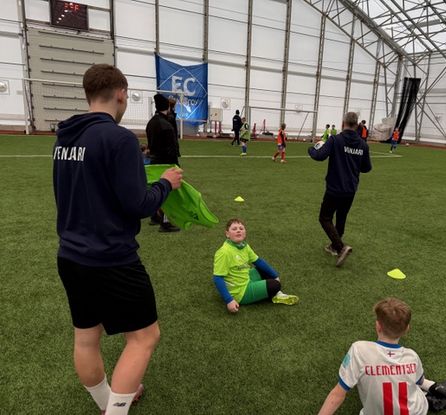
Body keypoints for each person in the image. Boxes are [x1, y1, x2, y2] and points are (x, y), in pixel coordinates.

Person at [53, 64, 183, 415]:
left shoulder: (64, 138)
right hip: (111, 258)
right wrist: (165, 184)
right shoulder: (119, 138)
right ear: (122, 94)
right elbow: (137, 205)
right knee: (144, 337)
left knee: (86, 338)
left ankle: (107, 404)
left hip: (70, 255)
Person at [318, 297, 446, 415]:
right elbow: (418, 380)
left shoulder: (359, 350)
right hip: (416, 411)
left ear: (378, 326)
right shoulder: (412, 356)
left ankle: (432, 393)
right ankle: (433, 389)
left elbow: (338, 394)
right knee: (414, 383)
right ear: (407, 329)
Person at [308, 112, 371, 267]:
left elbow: (319, 156)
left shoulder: (335, 140)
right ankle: (334, 247)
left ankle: (340, 247)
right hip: (351, 188)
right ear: (357, 125)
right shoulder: (363, 144)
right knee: (341, 217)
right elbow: (366, 168)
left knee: (325, 218)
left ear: (343, 123)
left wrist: (311, 149)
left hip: (335, 187)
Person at [212, 218, 299, 313]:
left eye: (241, 228)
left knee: (264, 270)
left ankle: (275, 293)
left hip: (246, 278)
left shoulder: (244, 246)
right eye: (234, 229)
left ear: (245, 233)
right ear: (227, 234)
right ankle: (276, 294)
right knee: (275, 285)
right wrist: (229, 300)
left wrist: (275, 276)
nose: (238, 230)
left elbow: (258, 261)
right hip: (240, 292)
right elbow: (218, 278)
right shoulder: (224, 252)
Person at [146, 93, 181, 232]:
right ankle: (165, 222)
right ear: (168, 107)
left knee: (156, 187)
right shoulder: (166, 125)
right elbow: (172, 148)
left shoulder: (151, 122)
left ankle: (154, 216)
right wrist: (176, 165)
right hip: (166, 163)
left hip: (154, 161)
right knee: (168, 192)